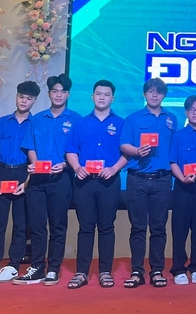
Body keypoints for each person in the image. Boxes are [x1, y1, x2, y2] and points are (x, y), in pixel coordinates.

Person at [16, 73, 82, 285]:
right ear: (49, 94)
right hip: (37, 181)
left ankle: (53, 268)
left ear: (68, 94)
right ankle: (37, 267)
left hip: (61, 179)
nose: (58, 95)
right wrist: (35, 164)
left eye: (63, 91)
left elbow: (78, 150)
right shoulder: (37, 119)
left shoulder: (76, 120)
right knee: (36, 225)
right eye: (55, 91)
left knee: (57, 225)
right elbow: (30, 146)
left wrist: (65, 164)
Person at [65, 80, 127, 289]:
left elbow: (127, 152)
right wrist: (76, 167)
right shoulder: (81, 123)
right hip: (84, 182)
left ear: (113, 98)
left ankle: (105, 272)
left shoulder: (121, 124)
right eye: (98, 94)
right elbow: (71, 150)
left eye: (106, 94)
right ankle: (81, 272)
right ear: (92, 97)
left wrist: (114, 169)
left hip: (109, 181)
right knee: (85, 227)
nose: (102, 97)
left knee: (107, 227)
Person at [0, 81, 39, 284]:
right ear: (16, 96)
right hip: (2, 171)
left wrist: (28, 181)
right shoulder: (1, 123)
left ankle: (13, 265)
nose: (24, 101)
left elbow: (35, 157)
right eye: (21, 97)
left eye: (29, 98)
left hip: (24, 173)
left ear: (34, 100)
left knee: (21, 224)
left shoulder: (36, 124)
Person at [119, 78, 177, 289]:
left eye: (158, 92)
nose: (154, 95)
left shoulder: (171, 119)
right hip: (137, 179)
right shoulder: (133, 118)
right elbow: (123, 144)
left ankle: (157, 271)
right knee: (138, 228)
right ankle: (137, 271)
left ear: (164, 95)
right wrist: (136, 151)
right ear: (145, 94)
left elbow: (174, 149)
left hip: (162, 180)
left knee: (159, 228)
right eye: (151, 91)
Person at [170, 96, 196, 286]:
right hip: (182, 185)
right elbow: (173, 162)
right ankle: (178, 268)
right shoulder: (178, 135)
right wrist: (182, 178)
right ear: (186, 112)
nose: (195, 112)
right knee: (180, 229)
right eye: (192, 109)